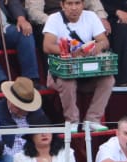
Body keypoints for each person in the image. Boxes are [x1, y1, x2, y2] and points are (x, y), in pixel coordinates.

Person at [41, 0, 113, 131]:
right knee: (67, 80)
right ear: (62, 5)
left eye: (77, 3)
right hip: (61, 72)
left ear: (83, 4)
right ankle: (72, 121)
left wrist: (98, 46)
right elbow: (47, 46)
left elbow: (104, 41)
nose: (74, 7)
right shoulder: (53, 19)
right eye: (69, 4)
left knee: (108, 79)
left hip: (86, 72)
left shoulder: (91, 16)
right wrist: (70, 51)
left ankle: (92, 120)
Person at [0, 76, 50, 162]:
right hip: (7, 156)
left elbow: (45, 136)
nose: (23, 110)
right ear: (10, 100)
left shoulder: (36, 112)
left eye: (25, 108)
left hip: (33, 154)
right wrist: (19, 157)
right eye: (19, 107)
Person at [10, 129, 81, 162]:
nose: (44, 134)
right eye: (39, 131)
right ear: (31, 136)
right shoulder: (20, 157)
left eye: (47, 129)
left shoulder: (66, 153)